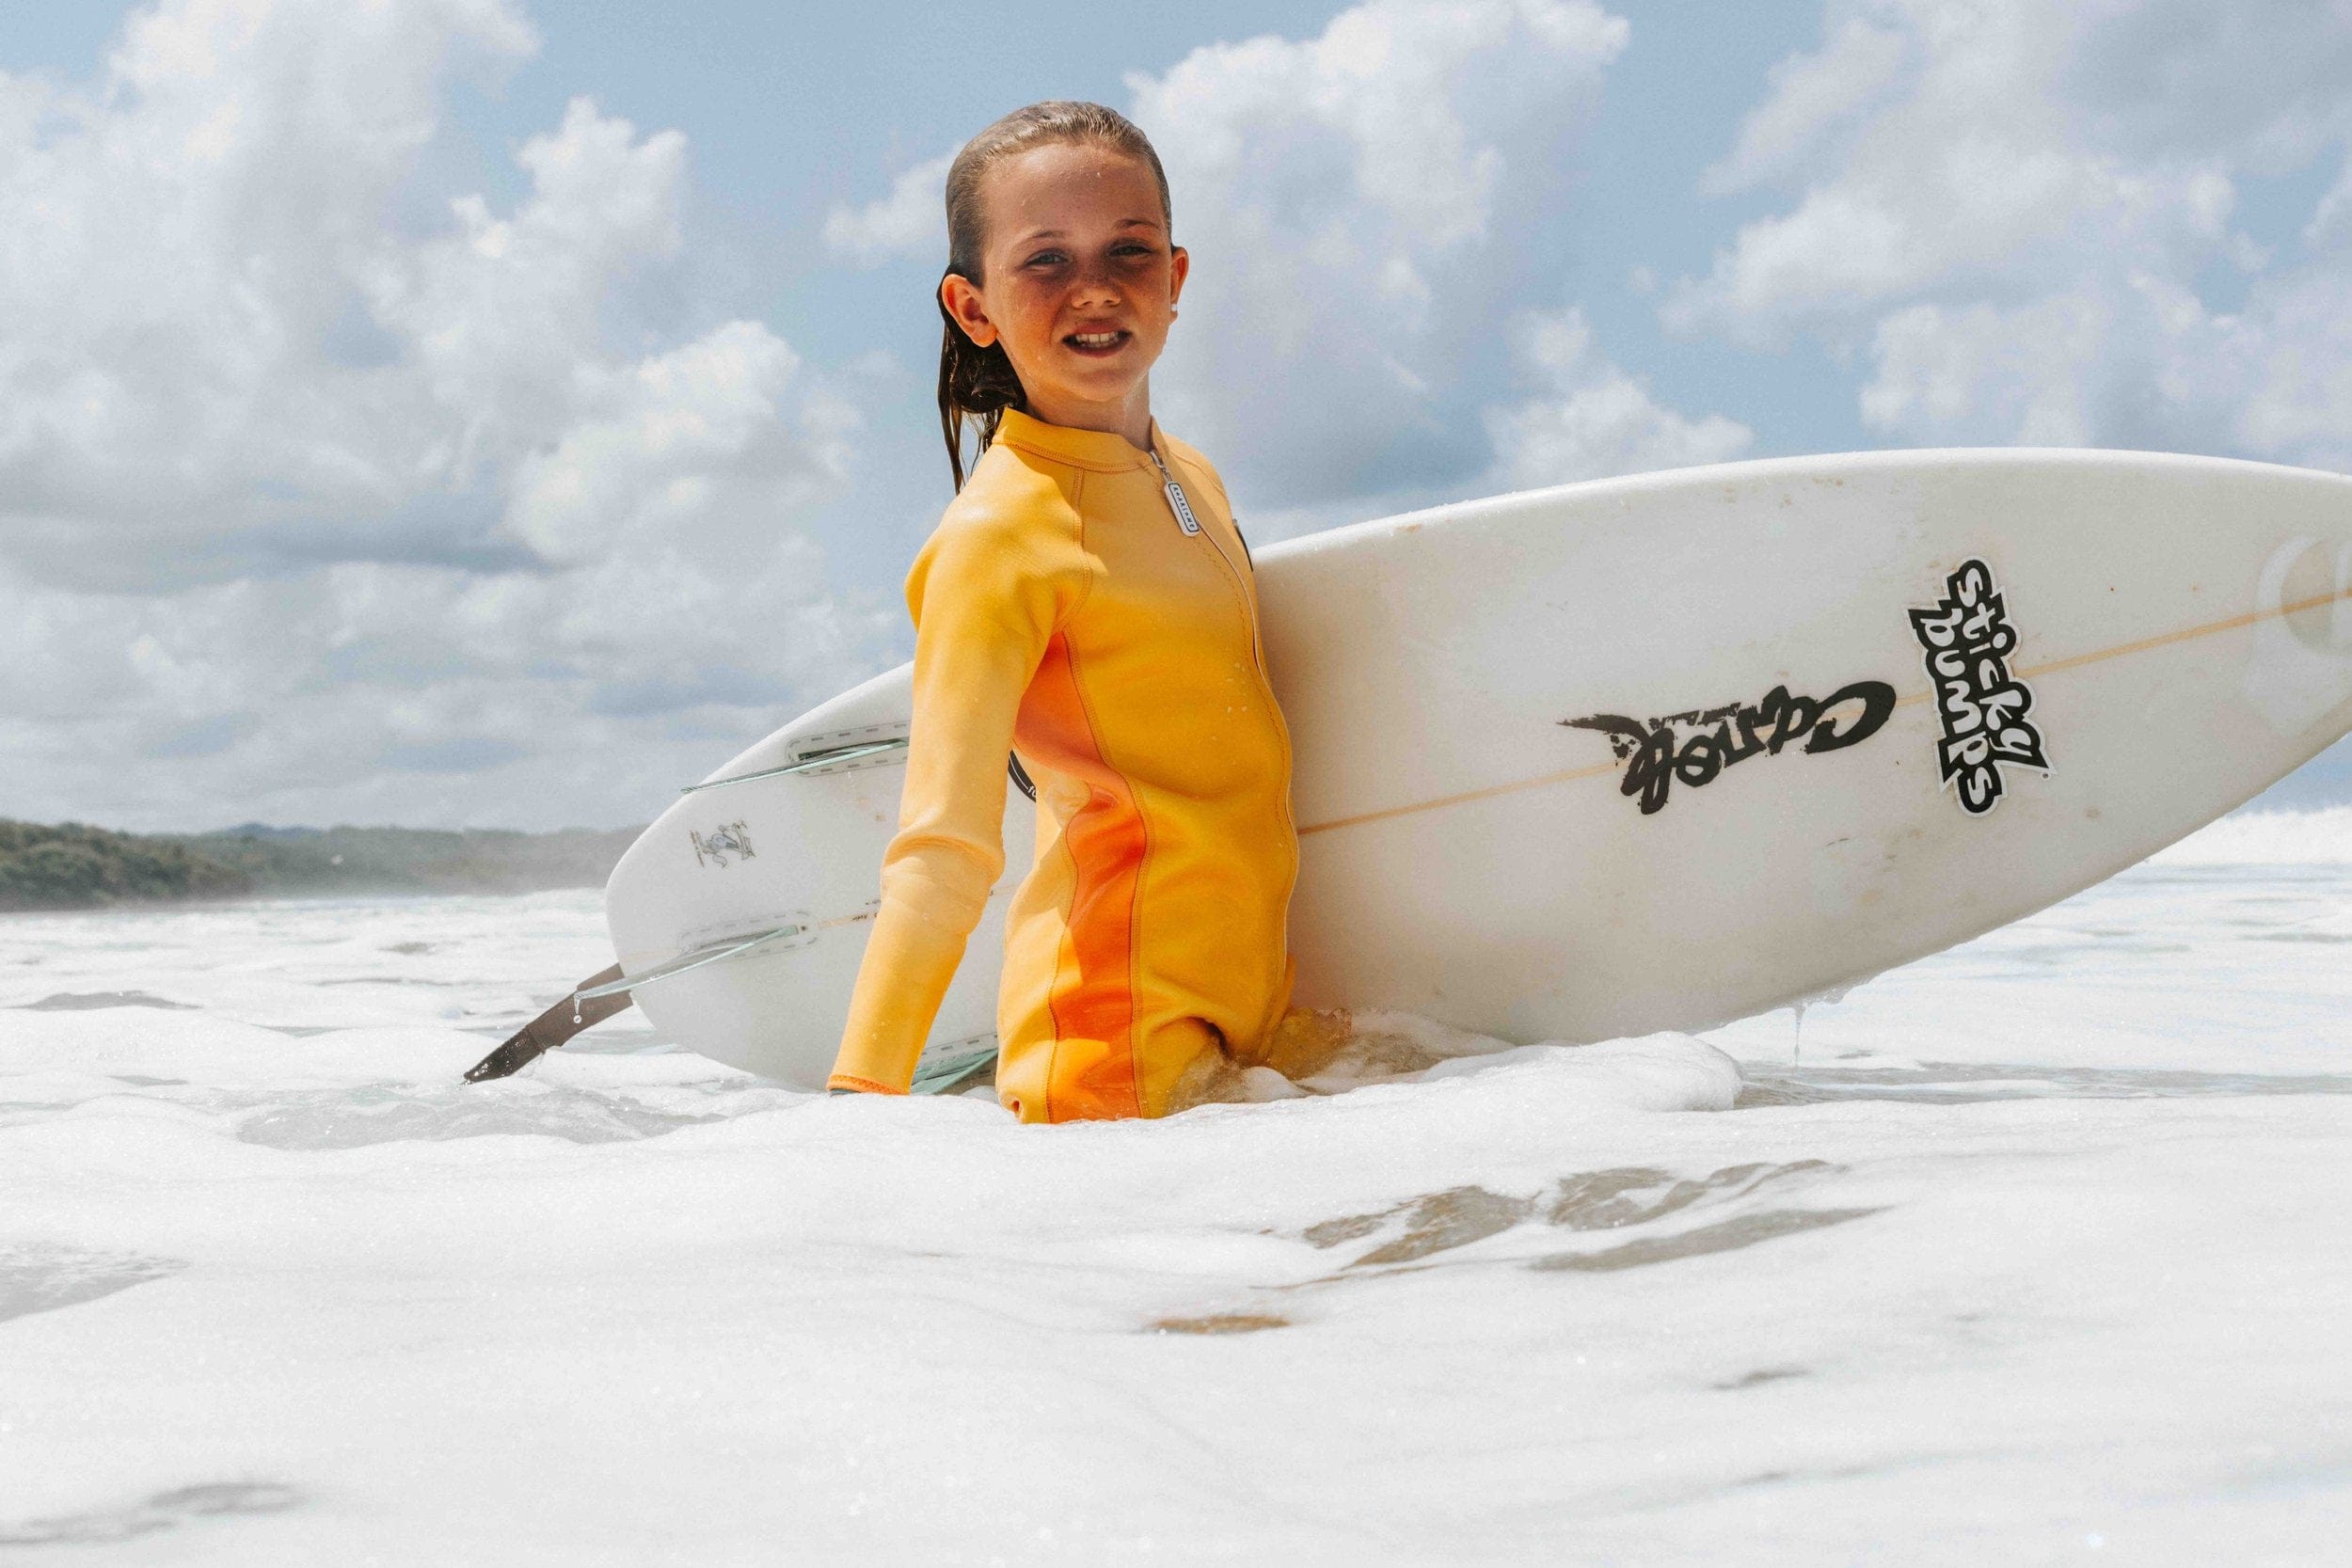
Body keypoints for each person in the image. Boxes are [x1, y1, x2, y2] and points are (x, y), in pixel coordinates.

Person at [823, 101, 1343, 1122]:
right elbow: (941, 851)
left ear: (1177, 278)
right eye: (1045, 261)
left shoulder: (1186, 474)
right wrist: (857, 1107)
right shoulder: (996, 538)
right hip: (1112, 1051)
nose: (1095, 289)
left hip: (1245, 1020)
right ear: (973, 309)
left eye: (1129, 250)